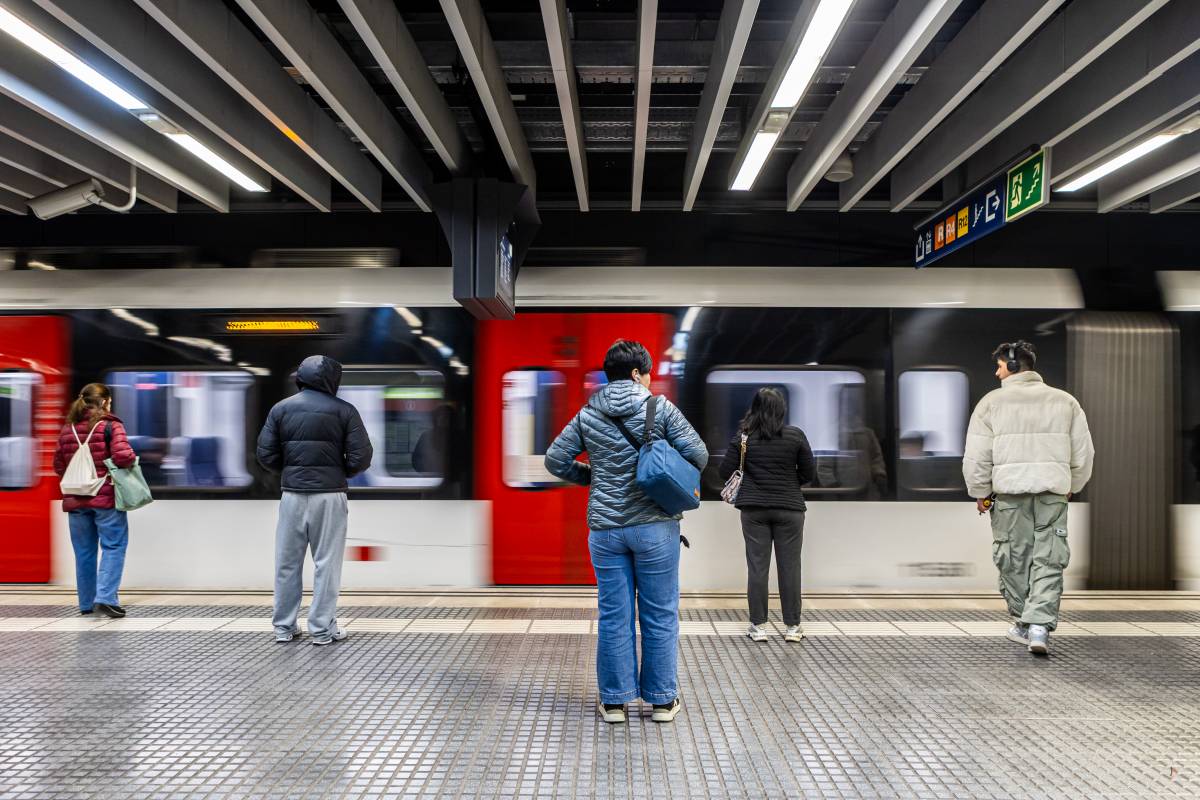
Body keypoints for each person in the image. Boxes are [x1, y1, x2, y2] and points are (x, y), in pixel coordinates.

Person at [545, 340, 707, 724]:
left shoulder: (588, 414)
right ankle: (663, 702)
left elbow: (555, 460)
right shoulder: (660, 407)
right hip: (655, 527)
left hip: (606, 530)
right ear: (637, 374)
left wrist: (592, 477)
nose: (650, 379)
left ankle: (614, 702)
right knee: (660, 613)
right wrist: (658, 468)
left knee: (614, 615)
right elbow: (698, 454)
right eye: (647, 372)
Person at [963, 340, 1094, 656]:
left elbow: (977, 457)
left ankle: (1023, 622)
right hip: (1053, 495)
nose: (996, 373)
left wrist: (981, 494)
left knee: (1013, 558)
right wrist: (1071, 484)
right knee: (1049, 559)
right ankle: (1039, 627)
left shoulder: (991, 403)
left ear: (1012, 365)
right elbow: (1084, 453)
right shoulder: (1065, 402)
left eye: (999, 365)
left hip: (1008, 497)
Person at [257, 356, 373, 646]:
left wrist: (292, 471)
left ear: (301, 378)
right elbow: (362, 457)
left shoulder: (281, 409)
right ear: (333, 379)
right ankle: (321, 629)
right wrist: (336, 472)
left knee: (287, 562)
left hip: (292, 495)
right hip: (330, 496)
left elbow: (265, 455)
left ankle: (284, 627)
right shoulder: (345, 411)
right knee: (326, 563)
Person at [718, 388, 815, 643]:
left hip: (754, 510)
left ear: (755, 409)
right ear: (781, 410)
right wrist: (788, 481)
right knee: (790, 567)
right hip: (790, 509)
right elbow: (809, 473)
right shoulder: (796, 436)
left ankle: (758, 626)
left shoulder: (744, 438)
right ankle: (793, 627)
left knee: (758, 567)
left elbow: (724, 471)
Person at [52, 383, 138, 618]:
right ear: (105, 402)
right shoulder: (111, 424)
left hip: (75, 499)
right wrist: (130, 458)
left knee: (84, 552)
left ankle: (87, 604)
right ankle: (106, 598)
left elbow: (58, 465)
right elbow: (123, 456)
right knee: (113, 546)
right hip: (105, 498)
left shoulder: (68, 429)